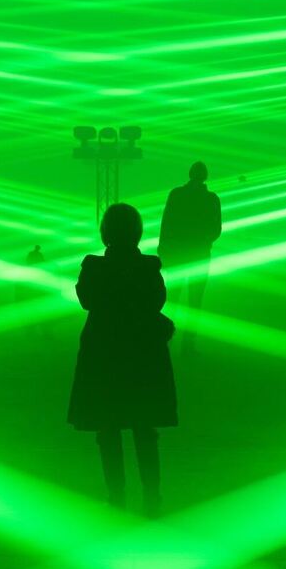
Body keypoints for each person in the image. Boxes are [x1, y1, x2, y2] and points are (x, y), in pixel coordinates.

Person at [68, 203, 176, 517]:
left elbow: (86, 300)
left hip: (104, 353)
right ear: (137, 232)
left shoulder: (94, 267)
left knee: (108, 427)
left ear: (105, 233)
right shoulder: (149, 267)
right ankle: (152, 499)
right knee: (145, 429)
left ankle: (116, 498)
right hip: (144, 352)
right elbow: (156, 301)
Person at [157, 161, 221, 353]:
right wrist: (204, 241)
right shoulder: (212, 199)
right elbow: (216, 229)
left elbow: (166, 223)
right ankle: (188, 342)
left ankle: (164, 339)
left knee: (172, 297)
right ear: (205, 176)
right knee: (195, 300)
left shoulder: (176, 194)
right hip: (199, 255)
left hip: (176, 253)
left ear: (190, 173)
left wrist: (163, 248)